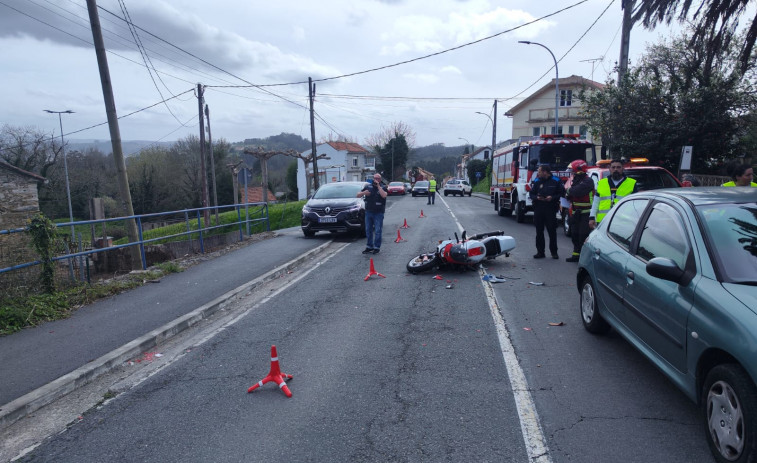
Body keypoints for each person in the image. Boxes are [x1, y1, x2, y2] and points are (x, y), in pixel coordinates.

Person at [589, 158, 637, 229]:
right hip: (603, 221)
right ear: (609, 169)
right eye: (613, 167)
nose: (615, 169)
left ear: (622, 168)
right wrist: (592, 217)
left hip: (623, 222)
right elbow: (596, 202)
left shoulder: (631, 183)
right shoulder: (601, 183)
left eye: (618, 167)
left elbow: (635, 205)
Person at [529, 164, 564, 259]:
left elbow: (561, 193)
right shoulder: (537, 181)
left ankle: (554, 252)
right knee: (539, 231)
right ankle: (540, 252)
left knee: (552, 231)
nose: (538, 173)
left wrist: (552, 198)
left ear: (545, 172)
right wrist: (536, 197)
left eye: (539, 171)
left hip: (550, 208)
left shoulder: (556, 181)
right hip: (539, 208)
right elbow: (531, 194)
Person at [564, 159, 594, 262]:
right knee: (575, 234)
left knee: (583, 235)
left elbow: (576, 192)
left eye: (573, 170)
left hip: (586, 213)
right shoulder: (576, 180)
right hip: (575, 213)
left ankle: (585, 257)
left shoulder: (588, 181)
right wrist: (569, 193)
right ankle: (576, 254)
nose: (572, 173)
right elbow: (571, 193)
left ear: (579, 170)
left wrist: (569, 191)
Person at [356, 173, 387, 254]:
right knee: (368, 230)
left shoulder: (383, 187)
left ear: (380, 179)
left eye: (378, 178)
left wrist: (378, 186)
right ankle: (369, 246)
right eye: (375, 178)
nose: (376, 180)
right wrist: (364, 193)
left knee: (377, 230)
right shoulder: (368, 186)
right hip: (369, 211)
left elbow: (384, 195)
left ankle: (376, 247)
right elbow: (357, 195)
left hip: (378, 212)